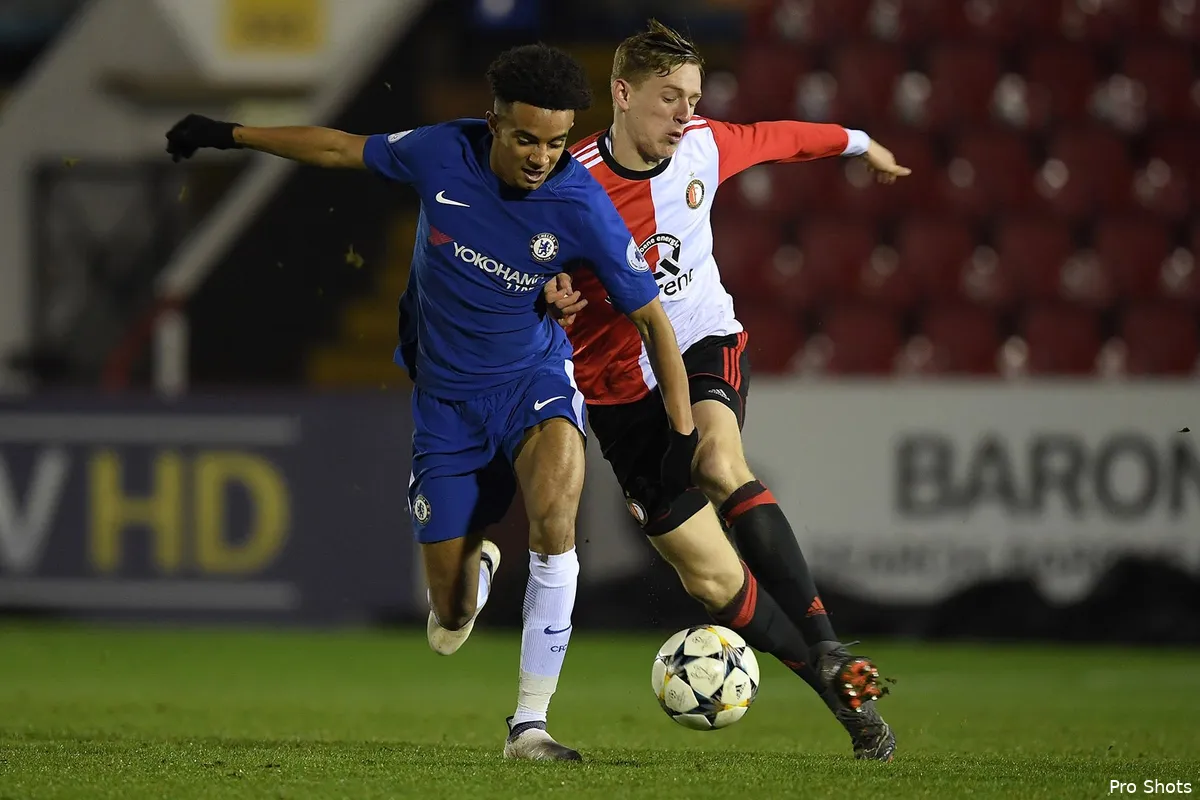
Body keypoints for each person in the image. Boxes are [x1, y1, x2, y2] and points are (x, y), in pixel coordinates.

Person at [165, 43, 699, 762]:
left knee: (555, 521)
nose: (542, 156)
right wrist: (229, 134)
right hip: (445, 402)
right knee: (448, 625)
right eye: (525, 139)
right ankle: (470, 575)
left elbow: (653, 322)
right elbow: (336, 148)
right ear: (493, 124)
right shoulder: (442, 152)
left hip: (532, 379)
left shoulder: (582, 205)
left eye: (557, 141)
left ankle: (529, 727)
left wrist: (682, 437)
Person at [543, 21, 910, 761]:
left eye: (694, 98)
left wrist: (859, 140)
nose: (685, 114)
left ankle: (827, 638)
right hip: (620, 394)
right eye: (669, 98)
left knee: (718, 460)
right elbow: (525, 266)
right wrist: (548, 294)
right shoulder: (567, 183)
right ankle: (836, 686)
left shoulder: (706, 145)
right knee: (714, 581)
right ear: (621, 93)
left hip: (702, 341)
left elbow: (786, 137)